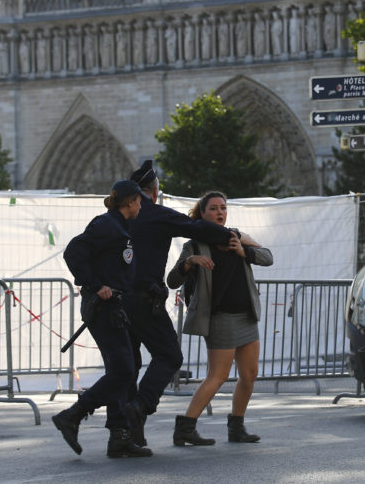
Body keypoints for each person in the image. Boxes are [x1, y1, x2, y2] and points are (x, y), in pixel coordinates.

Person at [121, 160, 234, 446]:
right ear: (154, 191)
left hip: (116, 300)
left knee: (128, 365)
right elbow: (194, 228)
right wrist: (229, 235)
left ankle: (126, 435)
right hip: (144, 298)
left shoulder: (116, 215)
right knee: (169, 356)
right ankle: (138, 408)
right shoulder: (155, 214)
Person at [51, 180, 152, 458]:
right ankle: (72, 416)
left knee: (125, 370)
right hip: (103, 307)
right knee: (122, 371)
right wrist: (96, 285)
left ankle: (118, 436)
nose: (141, 205)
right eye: (139, 201)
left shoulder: (122, 227)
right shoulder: (106, 225)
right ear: (130, 202)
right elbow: (74, 253)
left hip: (116, 307)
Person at [166, 190, 273, 445]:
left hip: (246, 315)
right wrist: (190, 262)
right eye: (213, 208)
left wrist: (244, 251)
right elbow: (172, 280)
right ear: (202, 214)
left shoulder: (236, 236)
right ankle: (185, 427)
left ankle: (237, 426)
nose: (220, 212)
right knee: (218, 375)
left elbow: (268, 257)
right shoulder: (194, 244)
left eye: (223, 208)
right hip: (220, 317)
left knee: (249, 375)